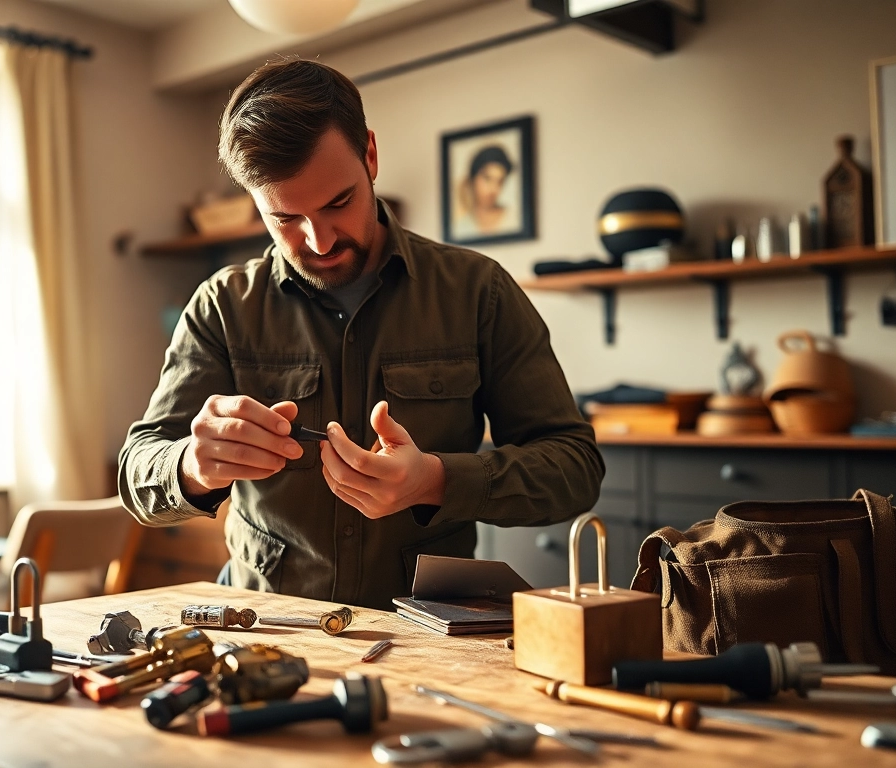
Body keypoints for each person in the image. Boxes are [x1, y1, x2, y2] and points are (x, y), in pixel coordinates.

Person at [119, 58, 603, 610]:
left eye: (338, 203)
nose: (319, 241)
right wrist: (191, 465)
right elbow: (138, 471)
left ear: (370, 155)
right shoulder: (223, 306)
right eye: (285, 219)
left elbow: (574, 469)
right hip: (268, 622)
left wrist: (436, 481)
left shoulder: (479, 292)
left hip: (432, 628)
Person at [453, 145, 515, 239]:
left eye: (500, 181)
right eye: (487, 178)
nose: (493, 189)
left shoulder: (512, 218)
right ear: (473, 179)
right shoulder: (461, 223)